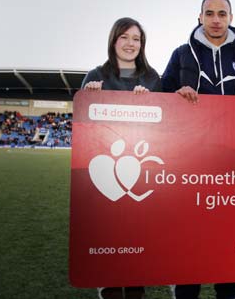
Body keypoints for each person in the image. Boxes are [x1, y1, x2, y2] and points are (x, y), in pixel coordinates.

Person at [161, 0, 235, 299]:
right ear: (200, 18)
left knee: (229, 229)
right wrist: (176, 94)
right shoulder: (182, 54)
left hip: (234, 163)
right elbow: (162, 95)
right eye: (210, 13)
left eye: (222, 13)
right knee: (189, 231)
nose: (216, 19)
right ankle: (186, 289)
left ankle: (229, 290)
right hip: (191, 162)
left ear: (231, 18)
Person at [81, 17, 161, 299]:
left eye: (136, 39)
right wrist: (90, 99)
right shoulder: (95, 76)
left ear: (143, 44)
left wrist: (149, 101)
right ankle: (108, 290)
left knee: (137, 240)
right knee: (109, 243)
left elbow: (164, 126)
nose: (130, 44)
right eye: (124, 37)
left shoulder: (152, 78)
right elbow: (84, 127)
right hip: (104, 172)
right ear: (114, 40)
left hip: (140, 167)